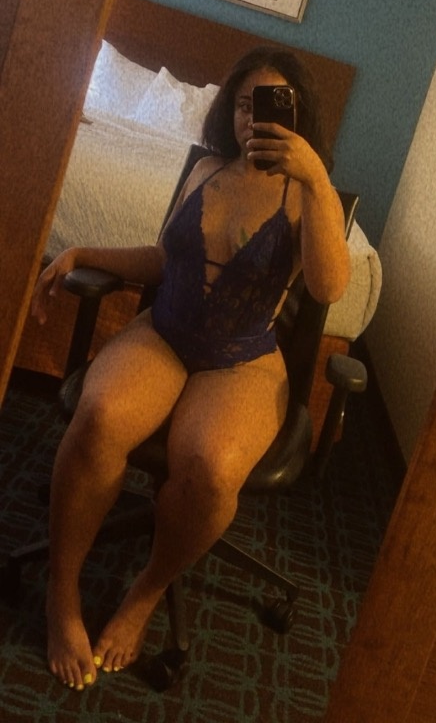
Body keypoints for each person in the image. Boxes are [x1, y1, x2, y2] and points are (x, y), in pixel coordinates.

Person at [31, 46, 351, 692]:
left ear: (300, 117)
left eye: (273, 106)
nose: (254, 119)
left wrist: (317, 181)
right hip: (166, 333)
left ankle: (146, 592)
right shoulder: (204, 168)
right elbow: (165, 259)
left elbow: (327, 288)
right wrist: (84, 252)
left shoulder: (308, 196)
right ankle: (61, 594)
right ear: (229, 110)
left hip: (241, 358)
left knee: (209, 471)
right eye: (244, 104)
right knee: (99, 418)